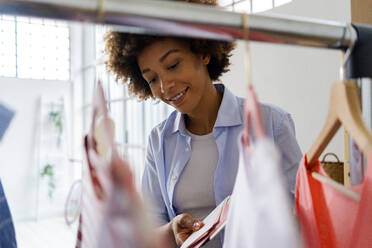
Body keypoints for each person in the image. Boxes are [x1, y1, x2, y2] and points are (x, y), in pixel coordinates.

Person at [104, 0, 302, 247]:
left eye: (173, 65)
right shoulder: (159, 140)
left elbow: (298, 219)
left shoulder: (273, 123)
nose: (165, 87)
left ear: (203, 51)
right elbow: (151, 230)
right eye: (153, 78)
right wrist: (171, 231)